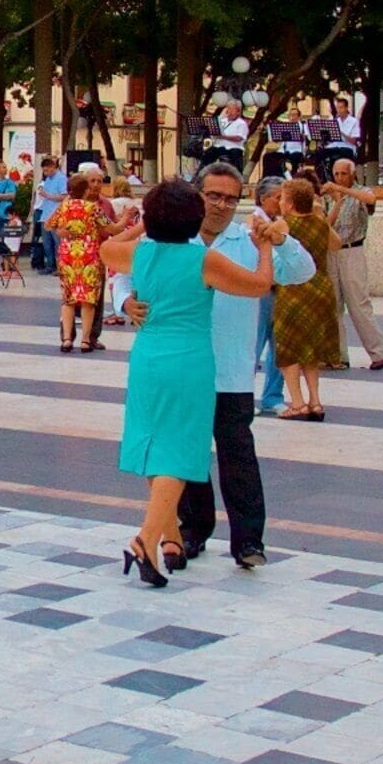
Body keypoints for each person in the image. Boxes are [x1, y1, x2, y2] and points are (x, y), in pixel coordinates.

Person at [103, 180, 268, 585]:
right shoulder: (204, 261)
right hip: (189, 360)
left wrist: (140, 225)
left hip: (148, 356)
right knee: (180, 449)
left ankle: (172, 536)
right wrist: (265, 250)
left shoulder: (139, 254)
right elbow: (259, 285)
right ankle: (146, 538)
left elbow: (107, 249)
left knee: (154, 436)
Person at [171, 165, 313, 567]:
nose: (220, 205)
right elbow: (128, 272)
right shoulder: (173, 236)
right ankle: (192, 530)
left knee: (238, 457)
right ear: (196, 194)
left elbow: (303, 271)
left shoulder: (250, 242)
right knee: (188, 453)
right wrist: (125, 302)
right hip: (182, 367)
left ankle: (249, 542)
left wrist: (280, 240)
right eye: (213, 195)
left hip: (231, 370)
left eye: (230, 198)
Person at [274, 181, 346, 419]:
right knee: (311, 350)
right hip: (321, 289)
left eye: (282, 198)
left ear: (291, 203)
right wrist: (320, 216)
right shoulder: (319, 223)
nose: (280, 202)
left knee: (288, 348)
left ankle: (297, 402)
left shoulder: (284, 225)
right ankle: (315, 400)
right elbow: (336, 245)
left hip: (293, 289)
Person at [319, 158, 383, 373]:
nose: (340, 177)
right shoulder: (329, 197)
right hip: (332, 251)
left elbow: (370, 199)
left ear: (352, 174)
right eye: (337, 174)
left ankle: (378, 352)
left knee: (359, 304)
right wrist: (335, 199)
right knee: (333, 306)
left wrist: (343, 191)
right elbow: (325, 224)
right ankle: (339, 355)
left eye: (344, 173)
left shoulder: (361, 191)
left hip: (353, 249)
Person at [52, 160, 114, 354]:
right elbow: (112, 227)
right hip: (90, 256)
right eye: (92, 181)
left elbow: (50, 225)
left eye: (99, 181)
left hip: (78, 257)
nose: (96, 185)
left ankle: (74, 339)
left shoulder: (68, 206)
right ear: (86, 185)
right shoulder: (93, 208)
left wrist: (64, 233)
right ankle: (83, 339)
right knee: (88, 301)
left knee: (71, 299)